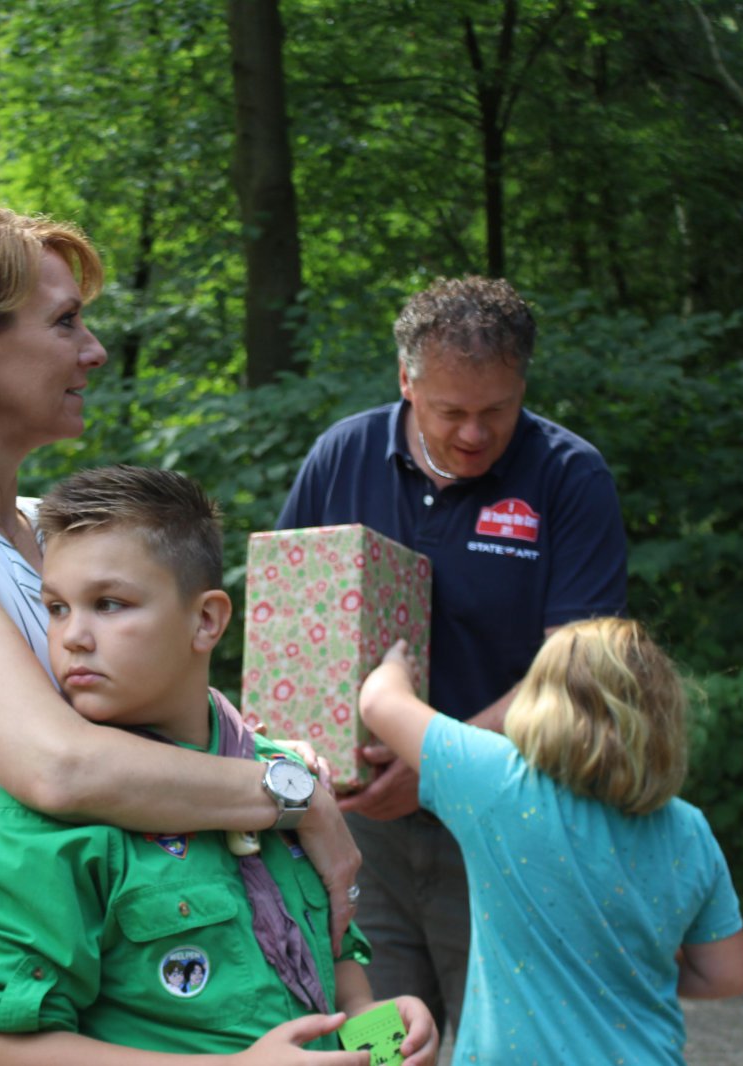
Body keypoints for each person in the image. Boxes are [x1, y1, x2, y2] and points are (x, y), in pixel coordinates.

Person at [0, 189, 360, 1066]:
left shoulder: (45, 531)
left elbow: (172, 724)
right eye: (65, 323)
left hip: (106, 1021)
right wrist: (291, 797)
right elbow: (58, 766)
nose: (94, 350)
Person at [0, 465, 438, 1065]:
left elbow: (338, 967)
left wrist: (380, 1030)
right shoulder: (44, 823)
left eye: (109, 604)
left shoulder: (285, 780)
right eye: (57, 607)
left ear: (206, 620)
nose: (73, 636)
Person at [275, 276, 628, 1032]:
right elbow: (289, 619)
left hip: (507, 816)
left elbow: (576, 670)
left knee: (501, 1036)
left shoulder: (569, 476)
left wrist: (439, 760)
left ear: (522, 386)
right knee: (378, 1034)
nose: (473, 434)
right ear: (406, 382)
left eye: (496, 411)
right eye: (450, 412)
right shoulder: (342, 456)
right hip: (360, 828)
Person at [359, 620, 743, 1063]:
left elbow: (378, 702)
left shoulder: (496, 782)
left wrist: (397, 663)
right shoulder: (688, 828)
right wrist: (627, 970)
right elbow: (727, 975)